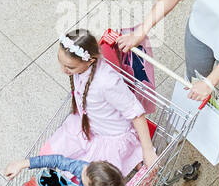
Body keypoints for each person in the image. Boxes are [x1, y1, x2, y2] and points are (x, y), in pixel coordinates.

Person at [42, 29, 157, 176]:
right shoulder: (81, 68)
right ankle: (133, 159)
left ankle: (134, 155)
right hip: (90, 124)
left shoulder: (107, 82)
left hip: (111, 136)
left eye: (70, 67)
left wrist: (148, 151)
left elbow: (136, 112)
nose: (63, 70)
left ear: (90, 61)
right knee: (49, 154)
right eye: (62, 63)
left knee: (86, 178)